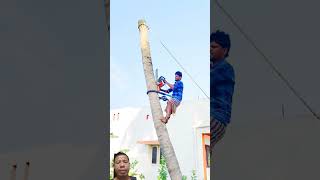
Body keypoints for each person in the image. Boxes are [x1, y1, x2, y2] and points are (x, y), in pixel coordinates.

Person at [210, 30, 235, 154]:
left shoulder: (224, 68)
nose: (210, 49)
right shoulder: (216, 68)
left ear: (225, 50)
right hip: (217, 118)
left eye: (214, 47)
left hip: (216, 117)